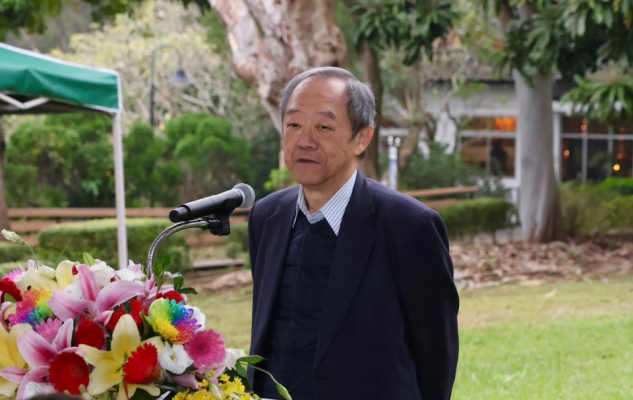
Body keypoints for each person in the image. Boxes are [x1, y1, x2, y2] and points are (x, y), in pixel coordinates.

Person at [247, 67, 459, 400]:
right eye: (294, 125)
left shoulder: (409, 226)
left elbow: (436, 355)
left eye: (324, 127)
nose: (304, 141)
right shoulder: (267, 216)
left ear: (362, 138)